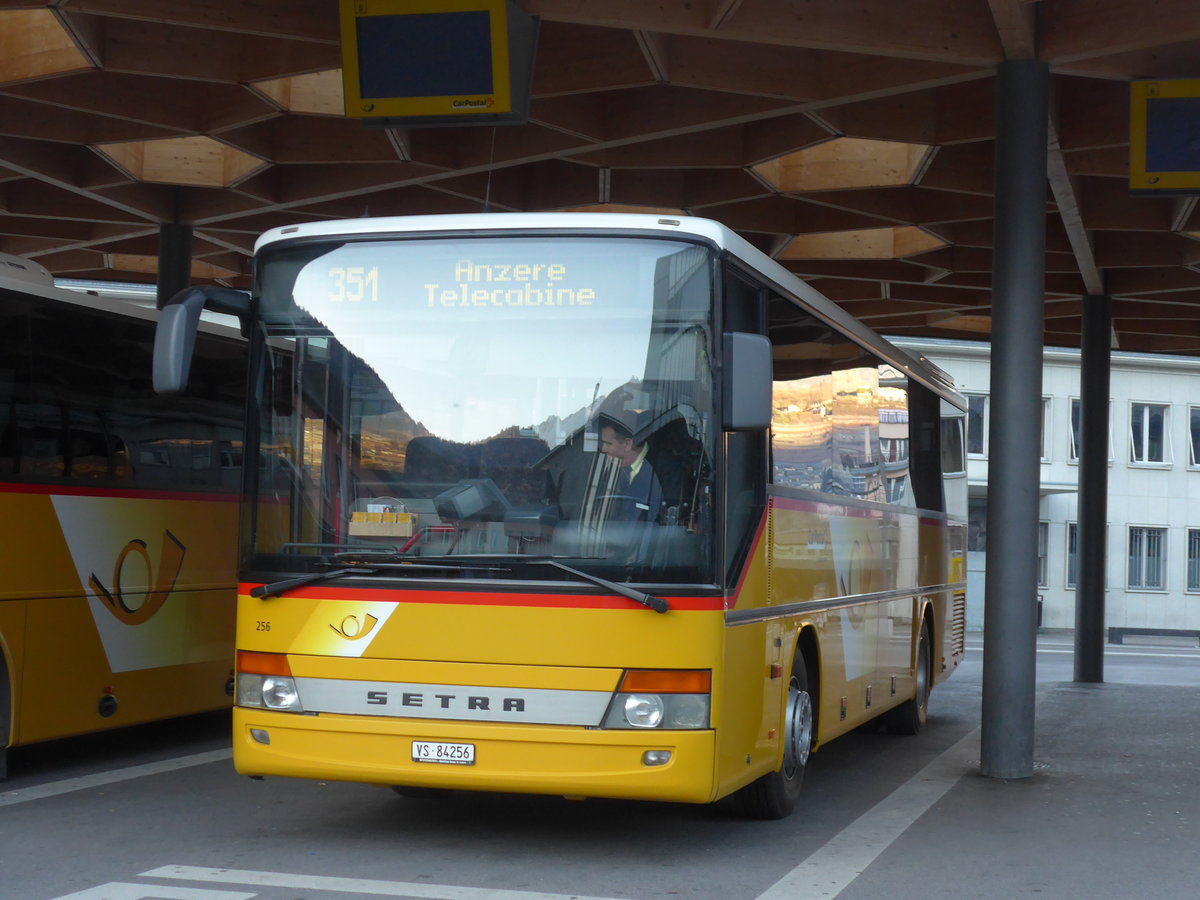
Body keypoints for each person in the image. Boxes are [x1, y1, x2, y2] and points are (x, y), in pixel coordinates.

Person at [597, 414, 663, 527]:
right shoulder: (607, 468)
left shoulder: (663, 469)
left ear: (627, 444)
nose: (603, 449)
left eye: (608, 444)